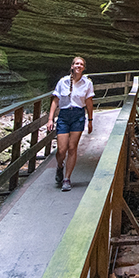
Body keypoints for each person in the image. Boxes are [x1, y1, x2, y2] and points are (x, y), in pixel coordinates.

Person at [46, 56, 94, 191]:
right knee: (61, 150)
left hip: (78, 115)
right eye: (77, 64)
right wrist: (50, 119)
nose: (79, 66)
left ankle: (67, 179)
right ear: (72, 66)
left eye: (82, 64)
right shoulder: (63, 82)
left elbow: (89, 102)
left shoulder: (87, 83)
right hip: (64, 116)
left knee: (72, 148)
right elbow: (55, 100)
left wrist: (90, 120)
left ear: (84, 68)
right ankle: (60, 166)